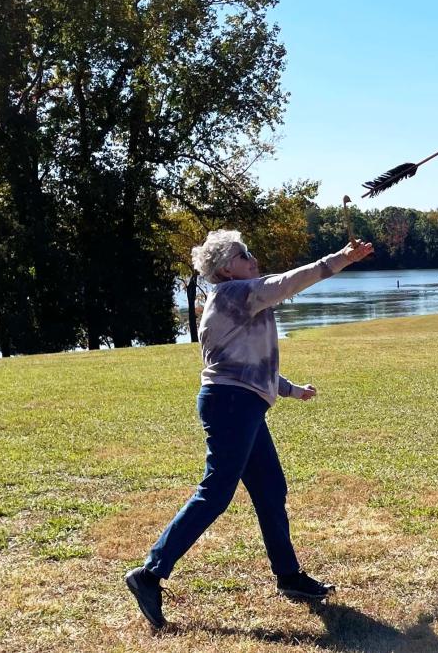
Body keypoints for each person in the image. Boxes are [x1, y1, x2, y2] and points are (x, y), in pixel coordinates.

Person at [126, 229, 374, 630]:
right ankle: (149, 574)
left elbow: (252, 364)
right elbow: (289, 282)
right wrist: (341, 258)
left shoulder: (237, 301)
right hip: (230, 405)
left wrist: (292, 390)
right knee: (215, 493)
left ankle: (289, 577)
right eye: (245, 255)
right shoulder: (232, 295)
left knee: (271, 490)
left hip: (243, 404)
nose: (253, 258)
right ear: (227, 268)